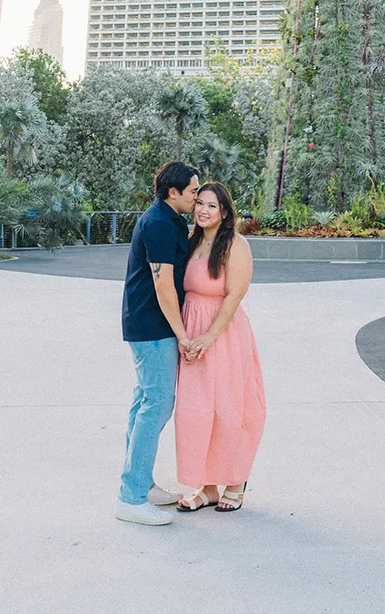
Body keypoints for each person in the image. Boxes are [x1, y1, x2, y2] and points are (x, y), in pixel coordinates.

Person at [115, 160, 200, 526]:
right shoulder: (160, 224)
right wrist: (182, 334)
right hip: (153, 327)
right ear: (173, 192)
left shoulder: (169, 219)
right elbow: (164, 285)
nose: (197, 198)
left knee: (144, 402)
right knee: (158, 404)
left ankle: (141, 486)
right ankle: (130, 498)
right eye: (193, 191)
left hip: (148, 323)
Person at [174, 181, 265, 513]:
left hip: (223, 334)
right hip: (192, 333)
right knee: (197, 412)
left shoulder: (235, 245)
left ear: (224, 212)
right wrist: (185, 336)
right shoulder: (191, 243)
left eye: (212, 206)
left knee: (230, 410)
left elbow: (234, 295)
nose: (202, 210)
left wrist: (209, 337)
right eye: (199, 203)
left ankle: (236, 481)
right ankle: (208, 485)